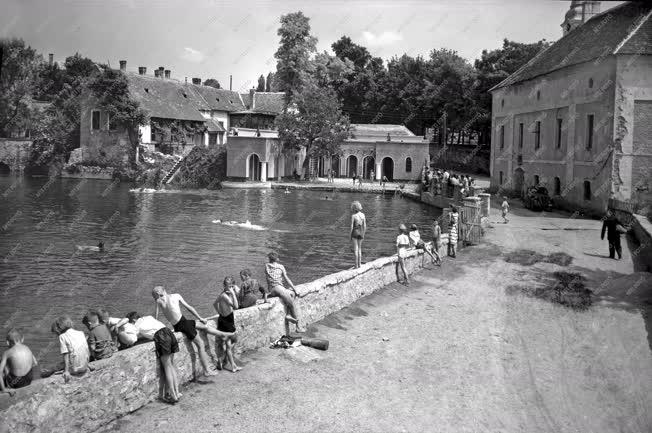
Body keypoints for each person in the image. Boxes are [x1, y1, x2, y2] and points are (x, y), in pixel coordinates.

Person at [152, 286, 232, 377]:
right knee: (200, 344)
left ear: (157, 294)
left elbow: (156, 318)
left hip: (178, 325)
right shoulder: (175, 296)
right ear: (163, 290)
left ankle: (223, 334)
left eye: (154, 295)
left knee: (203, 327)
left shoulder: (158, 302)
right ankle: (207, 370)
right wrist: (200, 317)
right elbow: (189, 308)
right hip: (183, 324)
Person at [205, 277, 241, 373]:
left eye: (230, 286)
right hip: (227, 321)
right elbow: (236, 307)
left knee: (231, 341)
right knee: (231, 343)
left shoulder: (223, 294)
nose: (229, 288)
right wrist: (233, 293)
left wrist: (220, 312)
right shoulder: (224, 296)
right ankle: (231, 365)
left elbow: (214, 304)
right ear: (225, 286)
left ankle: (222, 360)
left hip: (223, 319)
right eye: (228, 286)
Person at [264, 252, 302, 333]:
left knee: (291, 294)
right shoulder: (281, 267)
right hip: (277, 288)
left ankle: (288, 315)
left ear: (269, 259)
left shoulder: (266, 266)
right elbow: (287, 279)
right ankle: (298, 326)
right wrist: (295, 288)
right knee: (291, 303)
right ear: (277, 259)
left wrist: (294, 290)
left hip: (272, 289)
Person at [51, 316, 90, 383]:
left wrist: (66, 371)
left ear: (58, 328)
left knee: (57, 367)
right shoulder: (81, 333)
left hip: (75, 369)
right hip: (85, 367)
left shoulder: (62, 336)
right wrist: (87, 364)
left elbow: (65, 354)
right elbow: (86, 349)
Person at [1, 329, 37, 395]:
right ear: (22, 339)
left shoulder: (7, 353)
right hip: (29, 379)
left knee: (5, 365)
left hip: (16, 383)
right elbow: (35, 363)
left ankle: (6, 387)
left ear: (7, 342)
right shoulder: (27, 347)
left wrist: (4, 389)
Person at [350, 201, 367, 269]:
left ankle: (356, 265)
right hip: (361, 232)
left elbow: (351, 227)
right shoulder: (363, 215)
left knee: (355, 249)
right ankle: (360, 264)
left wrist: (350, 236)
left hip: (355, 233)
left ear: (354, 208)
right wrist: (364, 233)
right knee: (360, 248)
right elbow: (365, 226)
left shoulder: (353, 216)